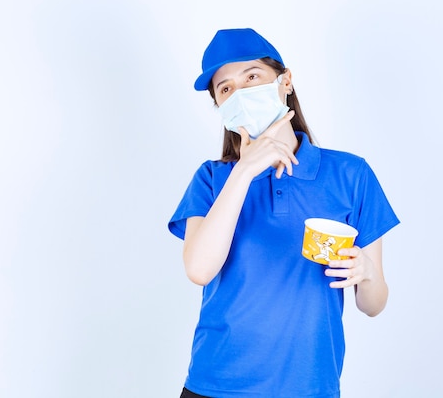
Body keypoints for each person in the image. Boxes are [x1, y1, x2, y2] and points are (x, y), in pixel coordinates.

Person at [168, 28, 400, 398]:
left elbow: (373, 305)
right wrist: (244, 170)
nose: (240, 93)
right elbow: (198, 269)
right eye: (225, 89)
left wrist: (368, 275)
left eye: (252, 77)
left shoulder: (351, 175)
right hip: (215, 386)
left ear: (285, 81)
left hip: (309, 387)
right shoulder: (213, 179)